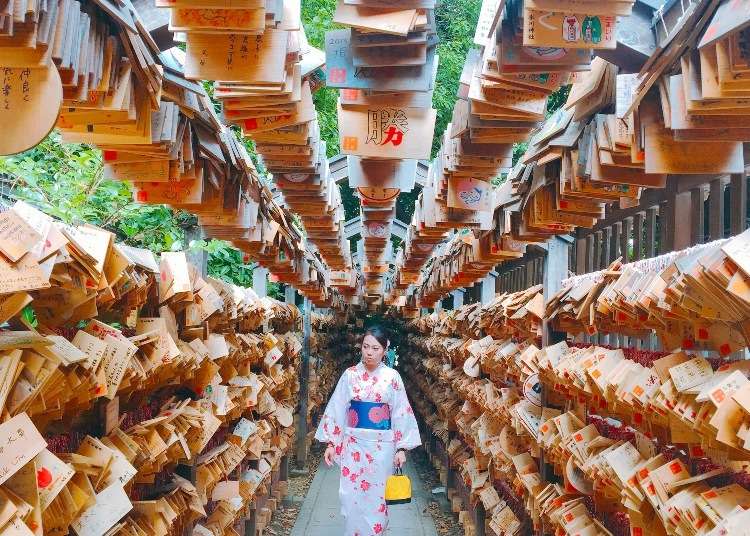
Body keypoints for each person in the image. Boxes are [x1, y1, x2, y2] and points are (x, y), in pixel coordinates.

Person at [314, 325, 421, 536]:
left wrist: (401, 449)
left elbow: (401, 412)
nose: (369, 352)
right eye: (365, 347)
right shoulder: (350, 375)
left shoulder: (392, 377)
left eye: (375, 348)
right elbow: (337, 407)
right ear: (360, 347)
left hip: (382, 448)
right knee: (350, 498)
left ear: (385, 349)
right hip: (353, 444)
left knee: (377, 500)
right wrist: (331, 443)